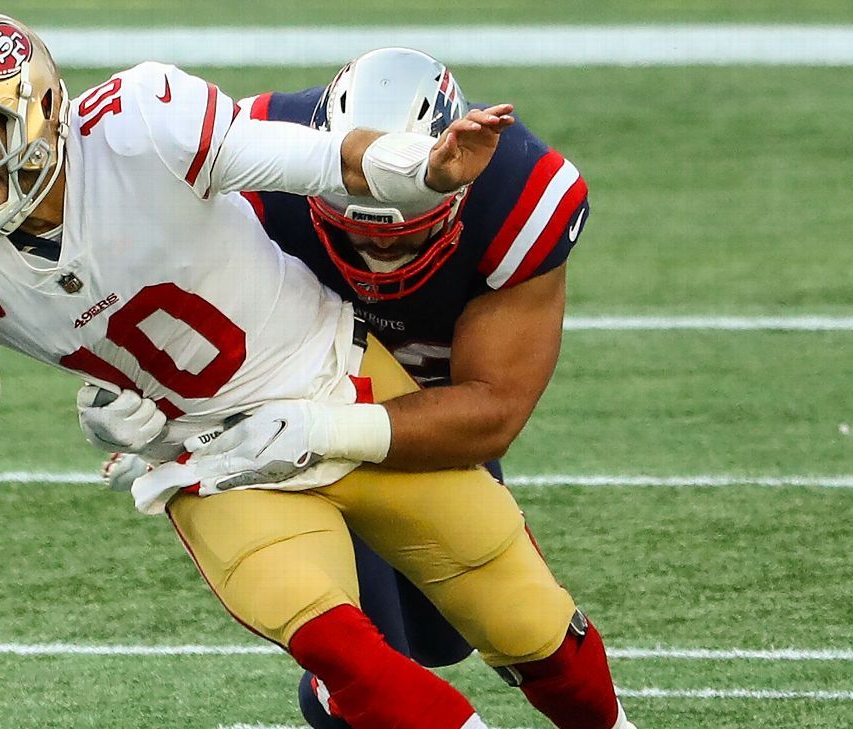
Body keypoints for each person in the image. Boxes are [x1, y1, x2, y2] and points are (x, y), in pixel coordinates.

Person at [0, 11, 599, 728]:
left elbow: (334, 159)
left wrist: (424, 175)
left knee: (529, 621)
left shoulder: (143, 123)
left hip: (336, 376)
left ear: (41, 109)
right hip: (212, 460)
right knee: (350, 663)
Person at [91, 49, 634, 729]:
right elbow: (125, 272)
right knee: (365, 675)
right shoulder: (256, 155)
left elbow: (492, 410)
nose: (381, 256)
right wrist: (145, 391)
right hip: (271, 414)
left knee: (451, 635)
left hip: (421, 415)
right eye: (359, 228)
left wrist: (324, 428)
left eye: (405, 234)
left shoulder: (517, 191)